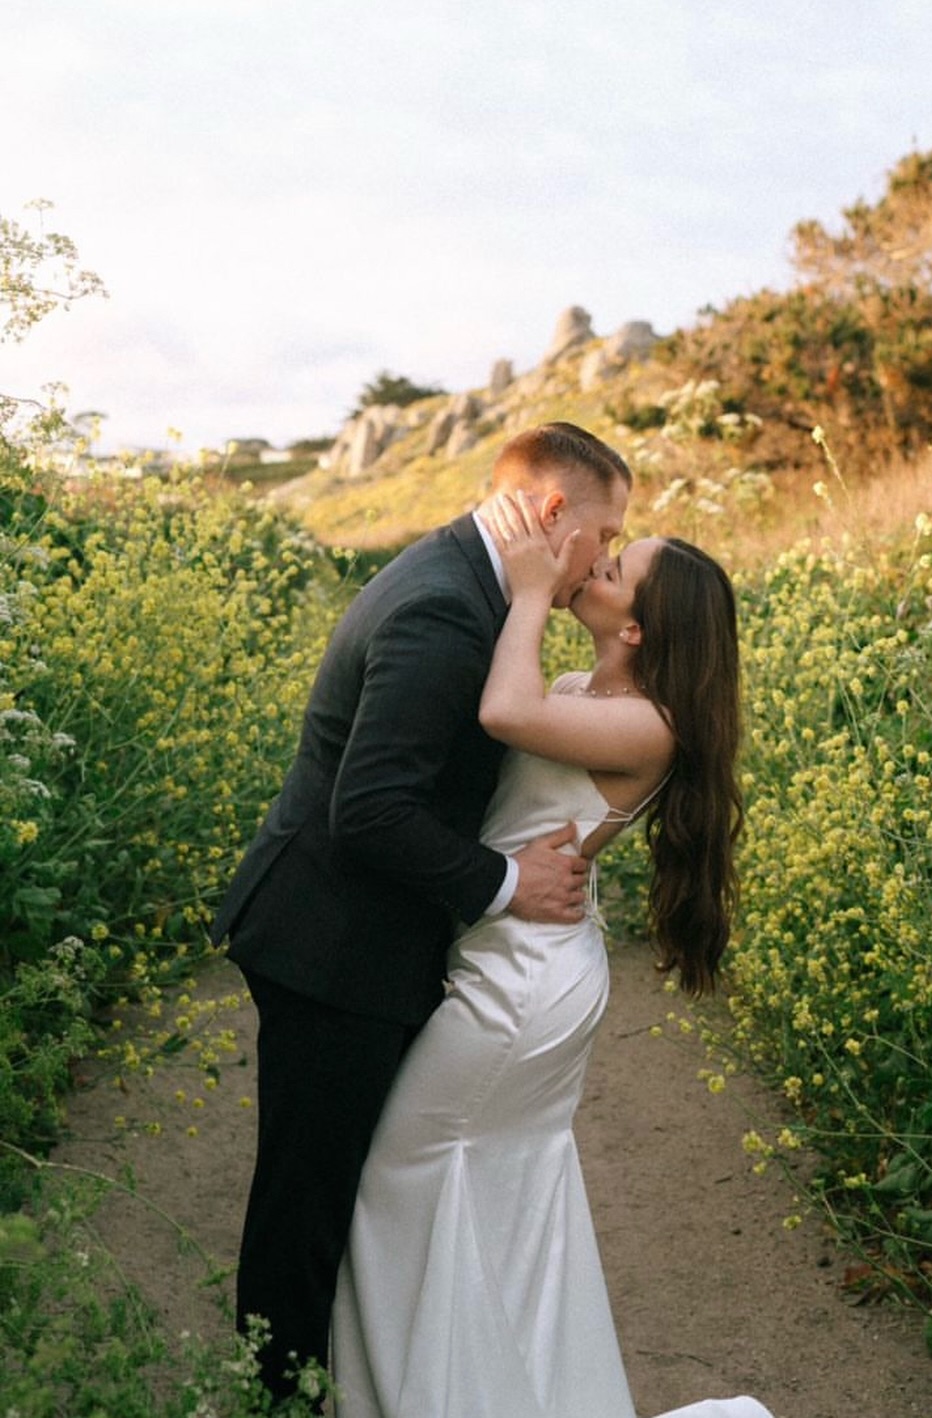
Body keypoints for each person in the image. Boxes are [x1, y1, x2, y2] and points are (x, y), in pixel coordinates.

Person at [209, 424, 632, 1404]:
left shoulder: (470, 580)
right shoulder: (446, 606)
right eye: (607, 528)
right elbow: (370, 810)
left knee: (332, 1194)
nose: (606, 556)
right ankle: (276, 1398)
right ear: (554, 513)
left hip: (358, 937)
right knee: (305, 1211)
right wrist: (505, 884)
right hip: (331, 944)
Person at [329, 495, 774, 1418]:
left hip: (525, 983)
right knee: (492, 1191)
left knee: (400, 1175)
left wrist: (528, 590)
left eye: (616, 569)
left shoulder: (648, 724)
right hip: (508, 950)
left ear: (642, 628)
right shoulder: (589, 695)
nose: (595, 565)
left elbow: (501, 708)